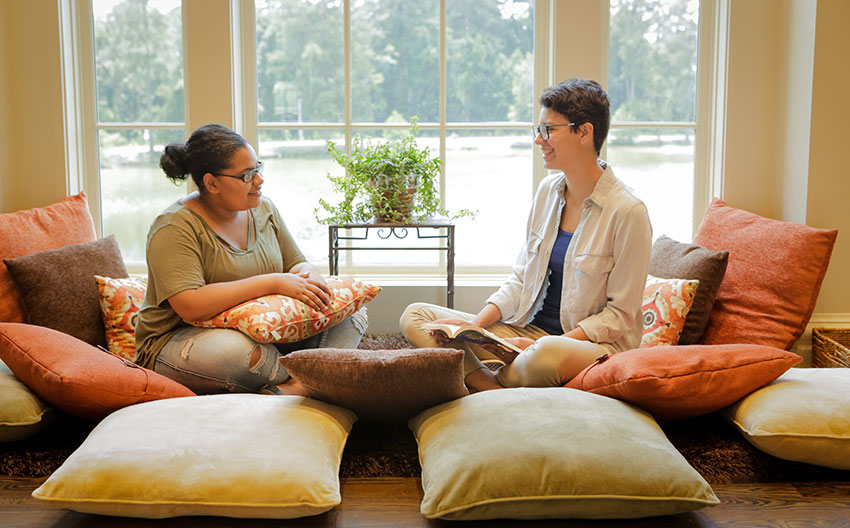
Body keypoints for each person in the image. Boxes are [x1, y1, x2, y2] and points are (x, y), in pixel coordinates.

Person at [400, 78, 651, 392]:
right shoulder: (548, 192)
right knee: (417, 316)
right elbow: (521, 280)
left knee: (540, 358)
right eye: (539, 128)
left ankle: (485, 382)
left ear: (584, 132)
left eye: (549, 130)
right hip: (528, 333)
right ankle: (490, 385)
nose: (538, 140)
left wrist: (546, 344)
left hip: (588, 346)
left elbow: (619, 316)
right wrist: (471, 328)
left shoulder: (629, 212)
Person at [134, 123, 367, 395]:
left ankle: (295, 388)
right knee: (236, 354)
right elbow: (190, 305)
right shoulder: (174, 227)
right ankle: (321, 379)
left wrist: (311, 280)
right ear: (212, 183)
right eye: (247, 175)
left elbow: (296, 263)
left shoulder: (264, 208)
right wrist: (273, 283)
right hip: (179, 340)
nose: (259, 181)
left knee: (352, 313)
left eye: (258, 169)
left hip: (268, 334)